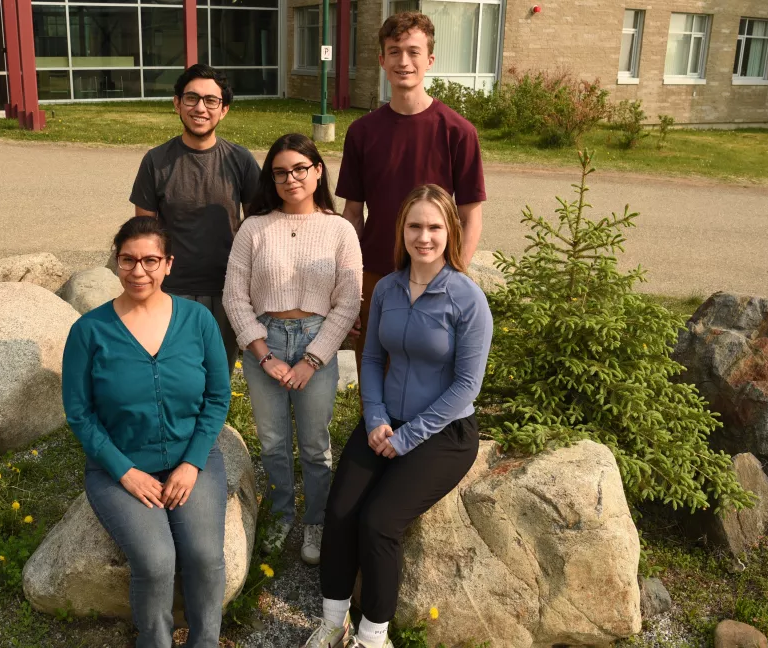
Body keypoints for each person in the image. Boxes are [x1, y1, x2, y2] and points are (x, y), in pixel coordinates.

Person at [305, 186, 493, 648]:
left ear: (449, 230)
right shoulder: (387, 287)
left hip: (443, 434)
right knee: (341, 509)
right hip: (384, 422)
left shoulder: (467, 298)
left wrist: (407, 439)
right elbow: (369, 359)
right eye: (414, 226)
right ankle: (333, 621)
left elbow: (467, 386)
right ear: (401, 230)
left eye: (434, 227)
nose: (423, 237)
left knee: (379, 521)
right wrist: (375, 420)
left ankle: (373, 636)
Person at [62, 216, 232, 648]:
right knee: (156, 561)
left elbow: (217, 397)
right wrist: (124, 471)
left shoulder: (198, 320)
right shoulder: (89, 332)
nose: (139, 271)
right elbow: (79, 413)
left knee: (205, 557)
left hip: (191, 458)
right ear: (116, 263)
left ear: (169, 264)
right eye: (128, 260)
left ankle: (204, 643)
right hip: (119, 465)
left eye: (150, 260)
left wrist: (192, 464)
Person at [223, 133, 363, 565]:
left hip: (316, 339)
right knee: (272, 440)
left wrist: (312, 360)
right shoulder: (254, 228)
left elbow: (348, 301)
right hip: (264, 339)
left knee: (316, 442)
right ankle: (282, 512)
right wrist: (263, 354)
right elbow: (234, 297)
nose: (290, 179)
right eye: (280, 172)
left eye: (299, 169)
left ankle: (316, 520)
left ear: (318, 171)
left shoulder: (340, 230)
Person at [335, 11, 486, 384]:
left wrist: (455, 277)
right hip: (375, 273)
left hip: (436, 275)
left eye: (414, 52)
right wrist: (349, 288)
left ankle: (425, 442)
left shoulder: (458, 131)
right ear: (382, 59)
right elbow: (352, 214)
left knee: (433, 373)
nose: (404, 61)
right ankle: (373, 439)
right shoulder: (361, 132)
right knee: (372, 370)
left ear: (430, 60)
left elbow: (469, 216)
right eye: (395, 51)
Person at [131, 63, 261, 373]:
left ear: (223, 109)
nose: (200, 108)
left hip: (227, 289)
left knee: (218, 375)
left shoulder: (239, 160)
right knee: (173, 375)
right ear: (177, 103)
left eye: (211, 100)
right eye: (191, 98)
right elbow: (143, 235)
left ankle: (213, 424)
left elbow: (261, 227)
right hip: (171, 292)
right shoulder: (156, 161)